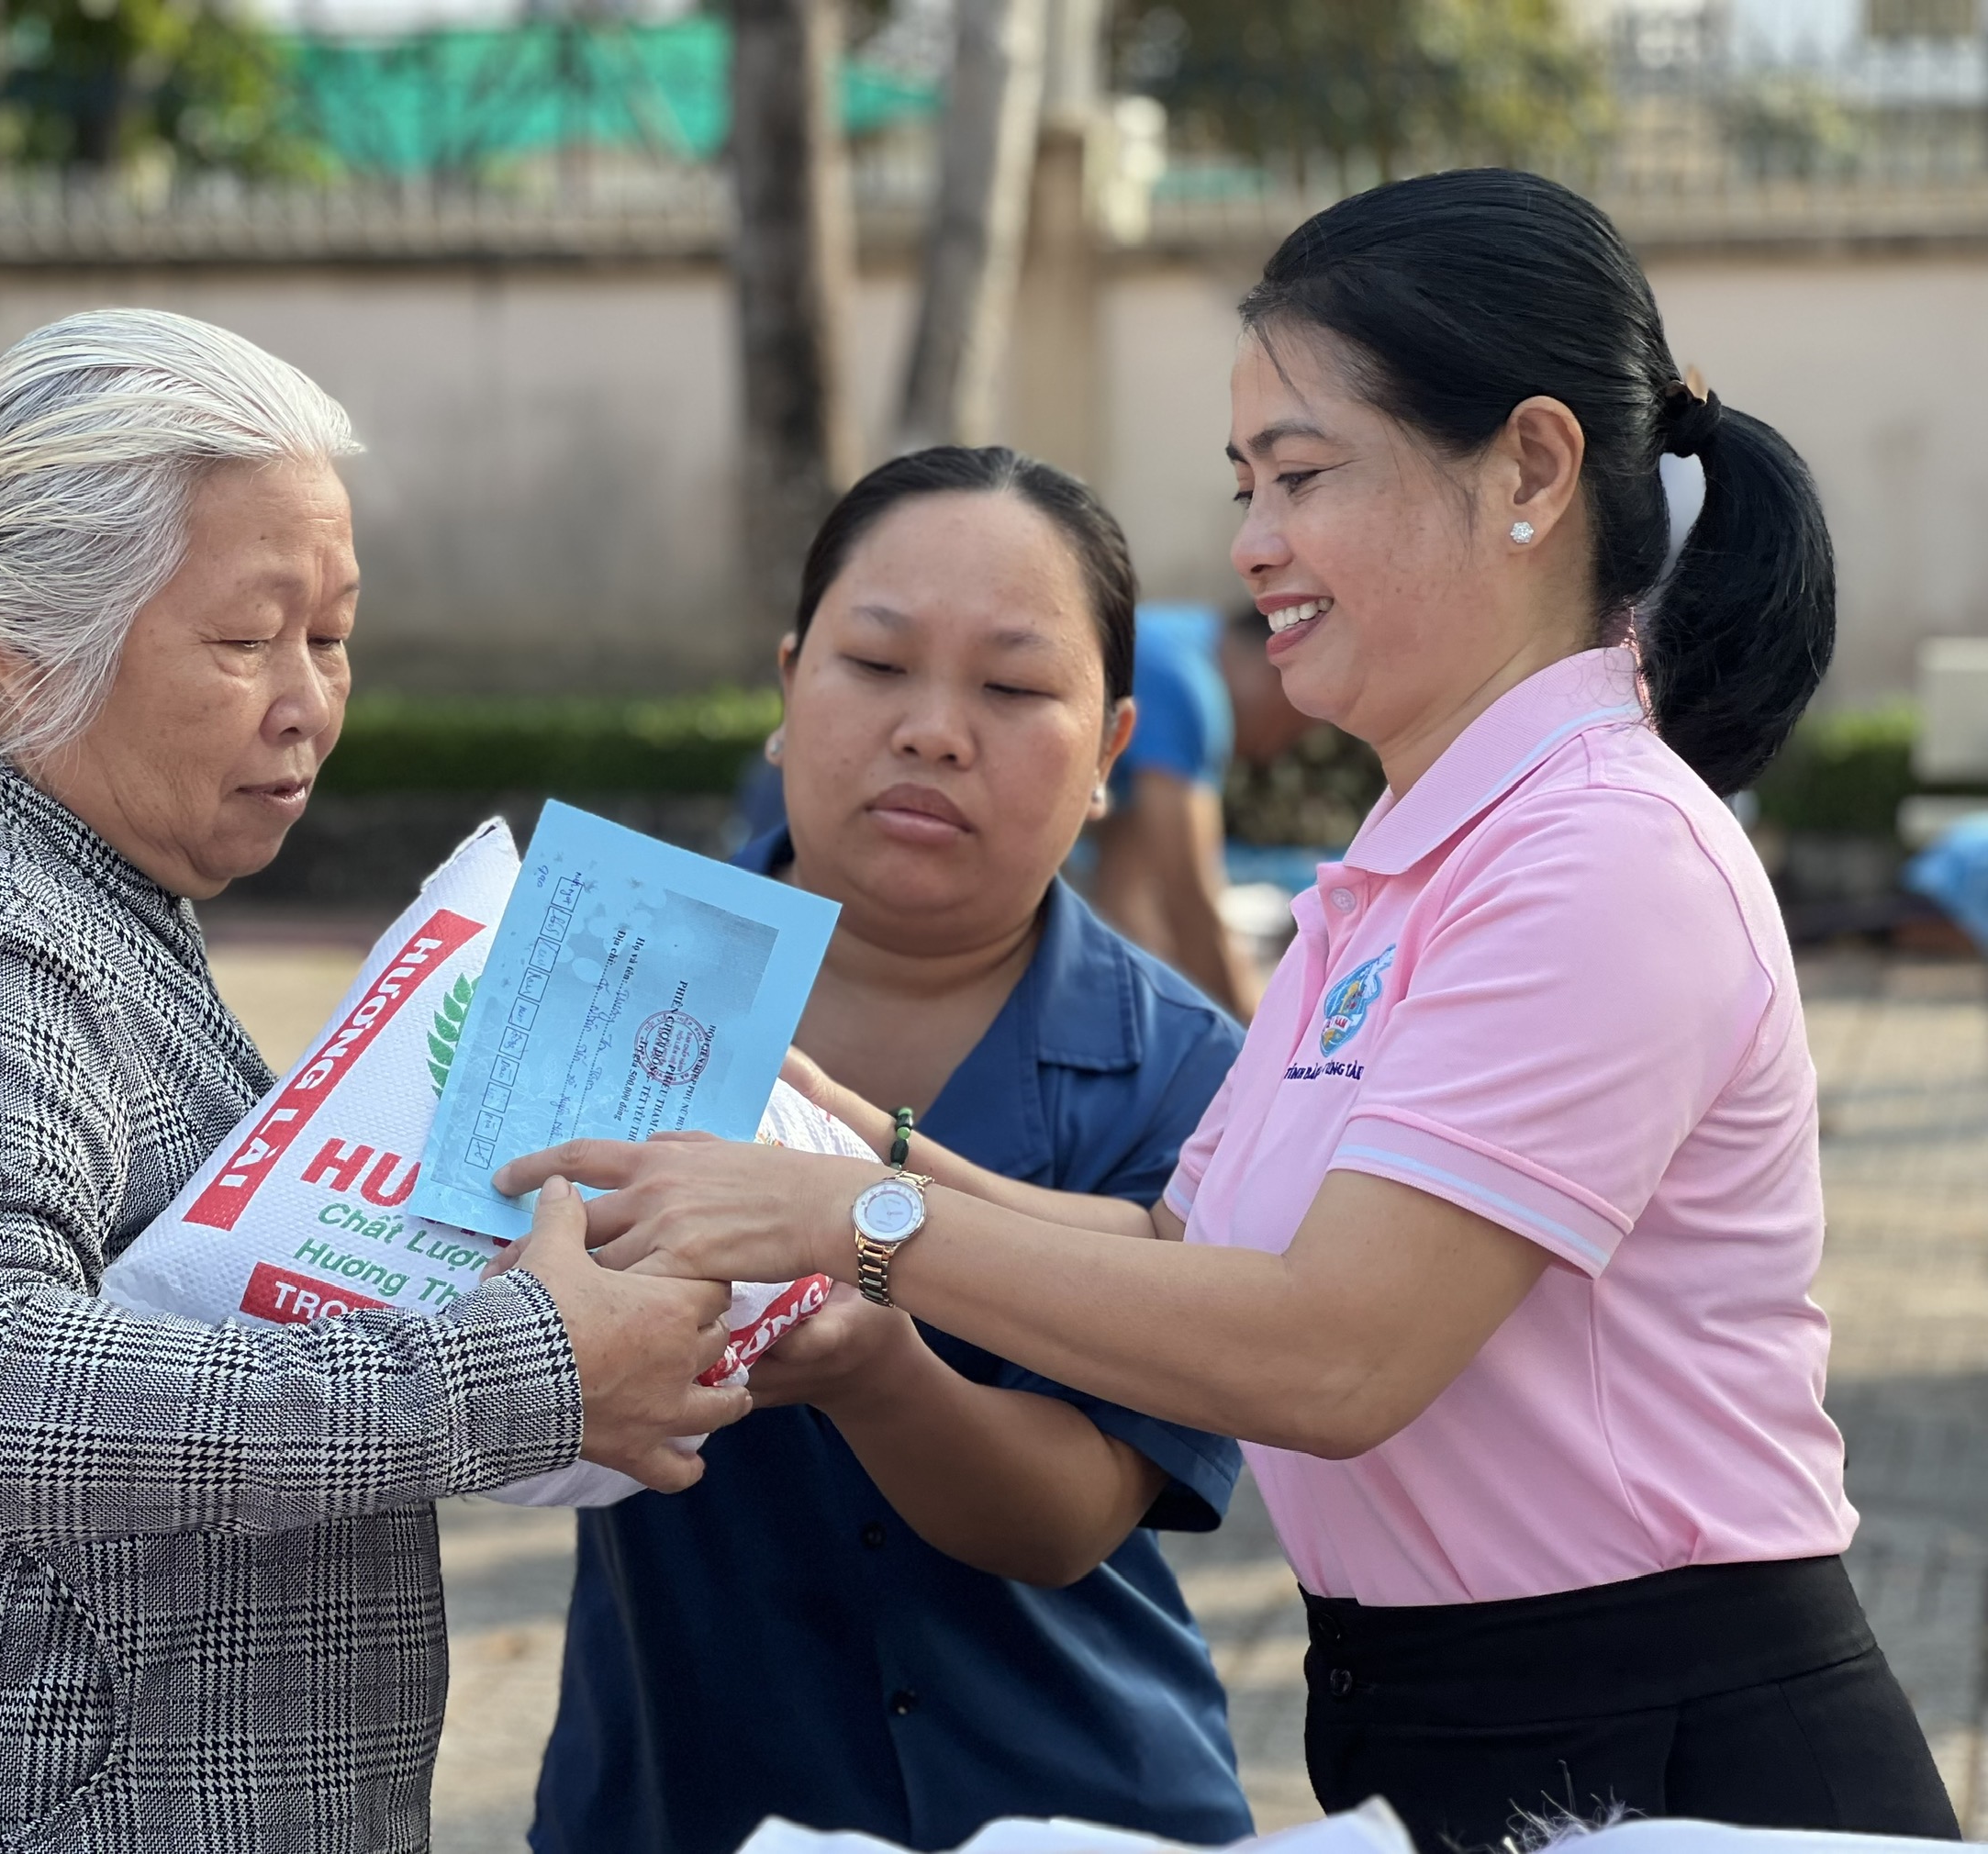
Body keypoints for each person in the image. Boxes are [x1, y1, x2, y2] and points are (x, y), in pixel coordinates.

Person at [497, 171, 1962, 1845]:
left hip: (1669, 1758)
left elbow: (1333, 1350)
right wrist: (861, 1142)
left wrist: (856, 1218)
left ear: (1533, 471)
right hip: (1465, 1734)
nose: (1255, 544)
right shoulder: (1410, 866)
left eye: (1306, 475)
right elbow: (1194, 1258)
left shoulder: (1604, 856)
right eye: (1245, 481)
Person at [0, 308, 744, 1854]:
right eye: (245, 636)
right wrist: (509, 1373)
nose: (309, 700)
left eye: (330, 636)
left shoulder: (94, 899)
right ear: (27, 646)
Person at [526, 447, 1255, 1854]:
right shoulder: (597, 971)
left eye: (1012, 686)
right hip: (679, 1804)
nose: (934, 731)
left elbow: (1066, 1522)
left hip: (1077, 1810)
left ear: (1111, 751)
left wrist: (878, 1367)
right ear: (791, 691)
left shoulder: (1191, 1078)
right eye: (877, 665)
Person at [1089, 602, 1254, 1015]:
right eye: (1298, 723)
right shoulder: (1186, 686)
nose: (1285, 744)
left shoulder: (1163, 642)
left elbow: (1121, 901)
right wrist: (1259, 1045)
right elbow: (1191, 898)